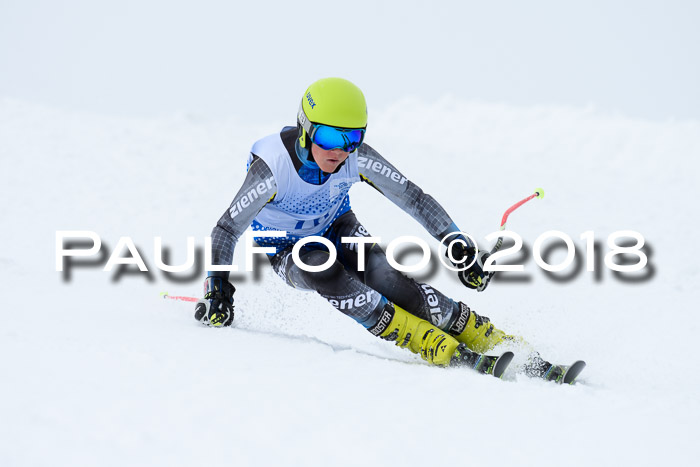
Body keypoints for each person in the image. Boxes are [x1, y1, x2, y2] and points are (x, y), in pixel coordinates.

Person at [195, 77, 568, 380]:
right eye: (328, 137)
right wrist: (217, 287)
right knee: (323, 269)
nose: (339, 151)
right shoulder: (273, 166)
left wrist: (458, 246)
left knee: (386, 277)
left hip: (337, 227)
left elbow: (413, 198)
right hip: (286, 248)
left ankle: (480, 332)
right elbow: (226, 230)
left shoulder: (355, 157)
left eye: (352, 138)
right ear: (305, 129)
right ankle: (427, 342)